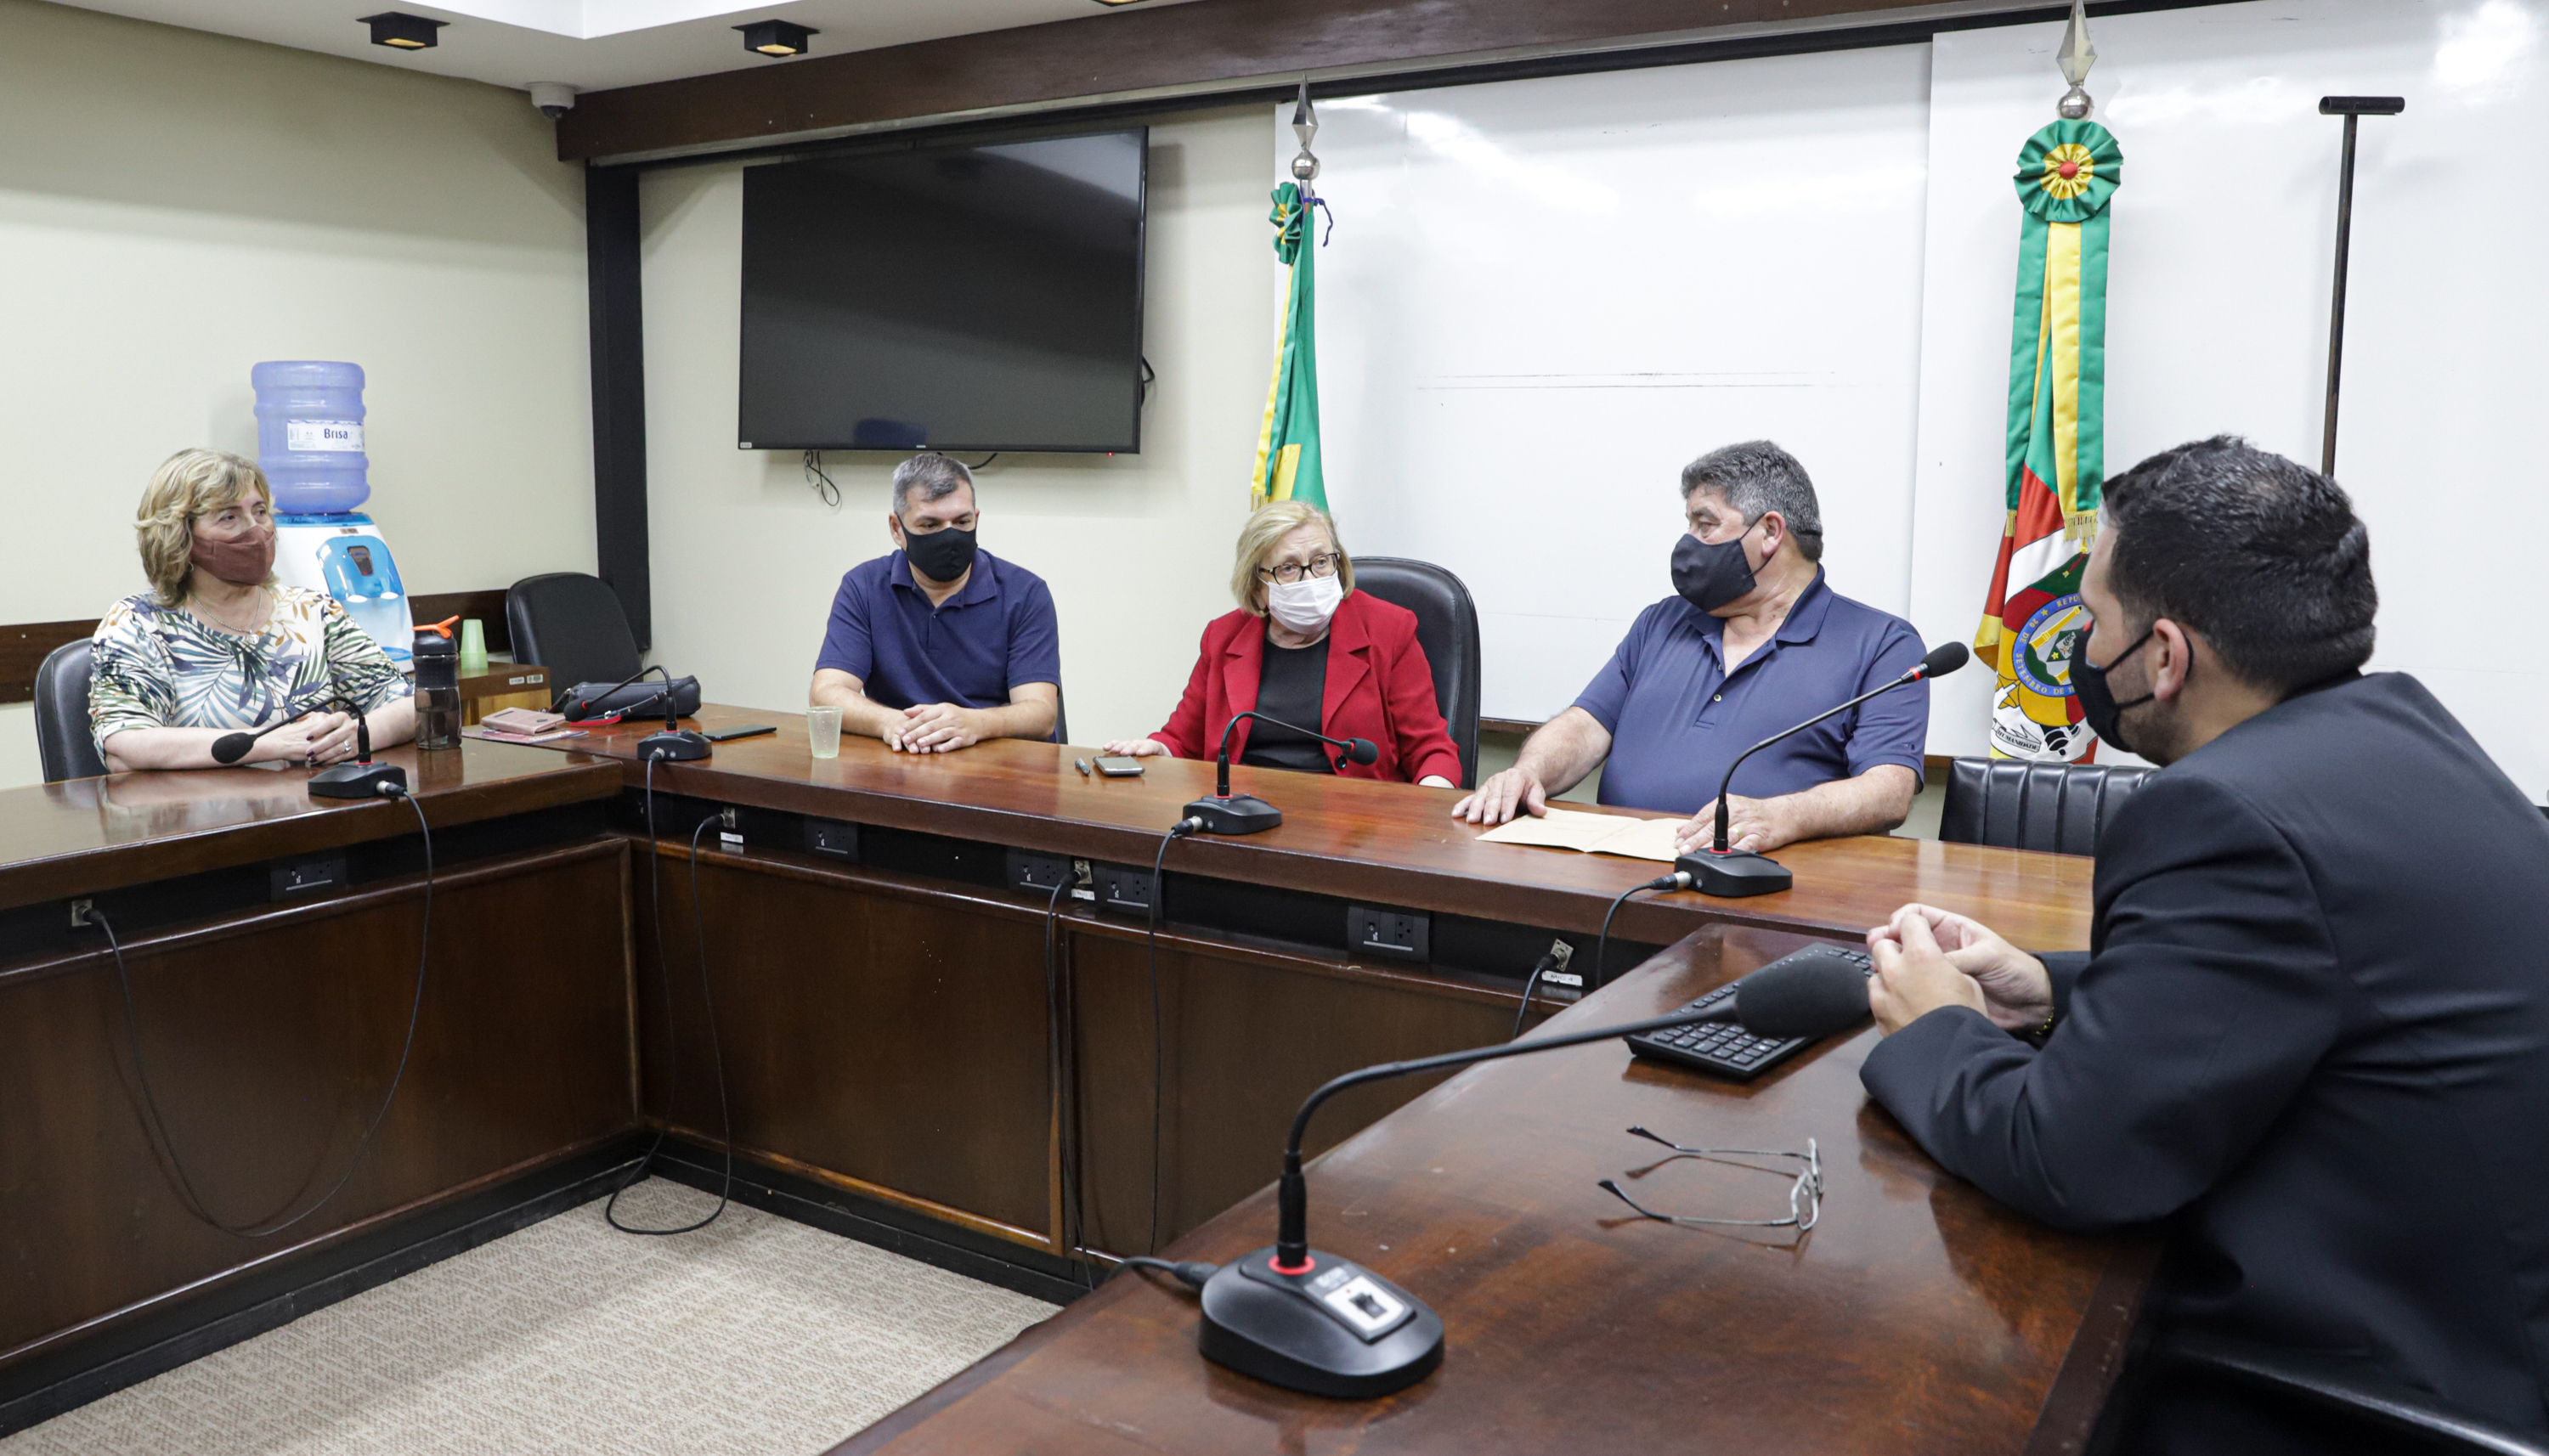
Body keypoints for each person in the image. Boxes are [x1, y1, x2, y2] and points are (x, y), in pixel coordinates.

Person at [1858, 437, 2549, 1454]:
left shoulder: (2221, 814)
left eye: (2093, 621)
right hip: (2485, 1322)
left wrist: (1937, 1026)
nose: (2081, 649)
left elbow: (2069, 1160)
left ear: (2166, 657)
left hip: (2349, 1390)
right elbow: (2297, 984)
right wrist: (2045, 987)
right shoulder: (2406, 730)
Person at [1452, 440, 1925, 853]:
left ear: (1770, 532)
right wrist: (1528, 772)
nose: (1689, 542)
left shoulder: (1881, 643)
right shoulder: (1663, 621)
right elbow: (1585, 725)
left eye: (1705, 524)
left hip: (1768, 881)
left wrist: (1782, 816)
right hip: (1620, 874)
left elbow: (1889, 790)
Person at [90, 449, 415, 773]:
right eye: (229, 517)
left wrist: (357, 736)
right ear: (179, 536)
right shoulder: (137, 623)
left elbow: (410, 704)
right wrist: (271, 743)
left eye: (260, 512)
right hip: (201, 804)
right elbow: (125, 743)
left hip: (315, 799)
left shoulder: (313, 611)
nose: (255, 530)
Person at [1102, 500, 1461, 787]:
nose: (1310, 579)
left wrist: (1427, 808)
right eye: (1288, 568)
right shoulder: (1224, 637)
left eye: (1321, 562)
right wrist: (1157, 748)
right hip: (1242, 816)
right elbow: (1183, 741)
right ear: (1257, 587)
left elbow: (1432, 750)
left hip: (1357, 829)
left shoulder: (1389, 629)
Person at [810, 453, 1060, 752]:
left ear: (976, 519)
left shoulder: (1026, 593)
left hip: (995, 761)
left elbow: (1041, 714)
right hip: (900, 755)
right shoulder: (863, 586)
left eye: (962, 522)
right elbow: (826, 694)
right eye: (930, 525)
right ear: (897, 529)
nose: (949, 536)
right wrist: (893, 723)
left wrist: (976, 724)